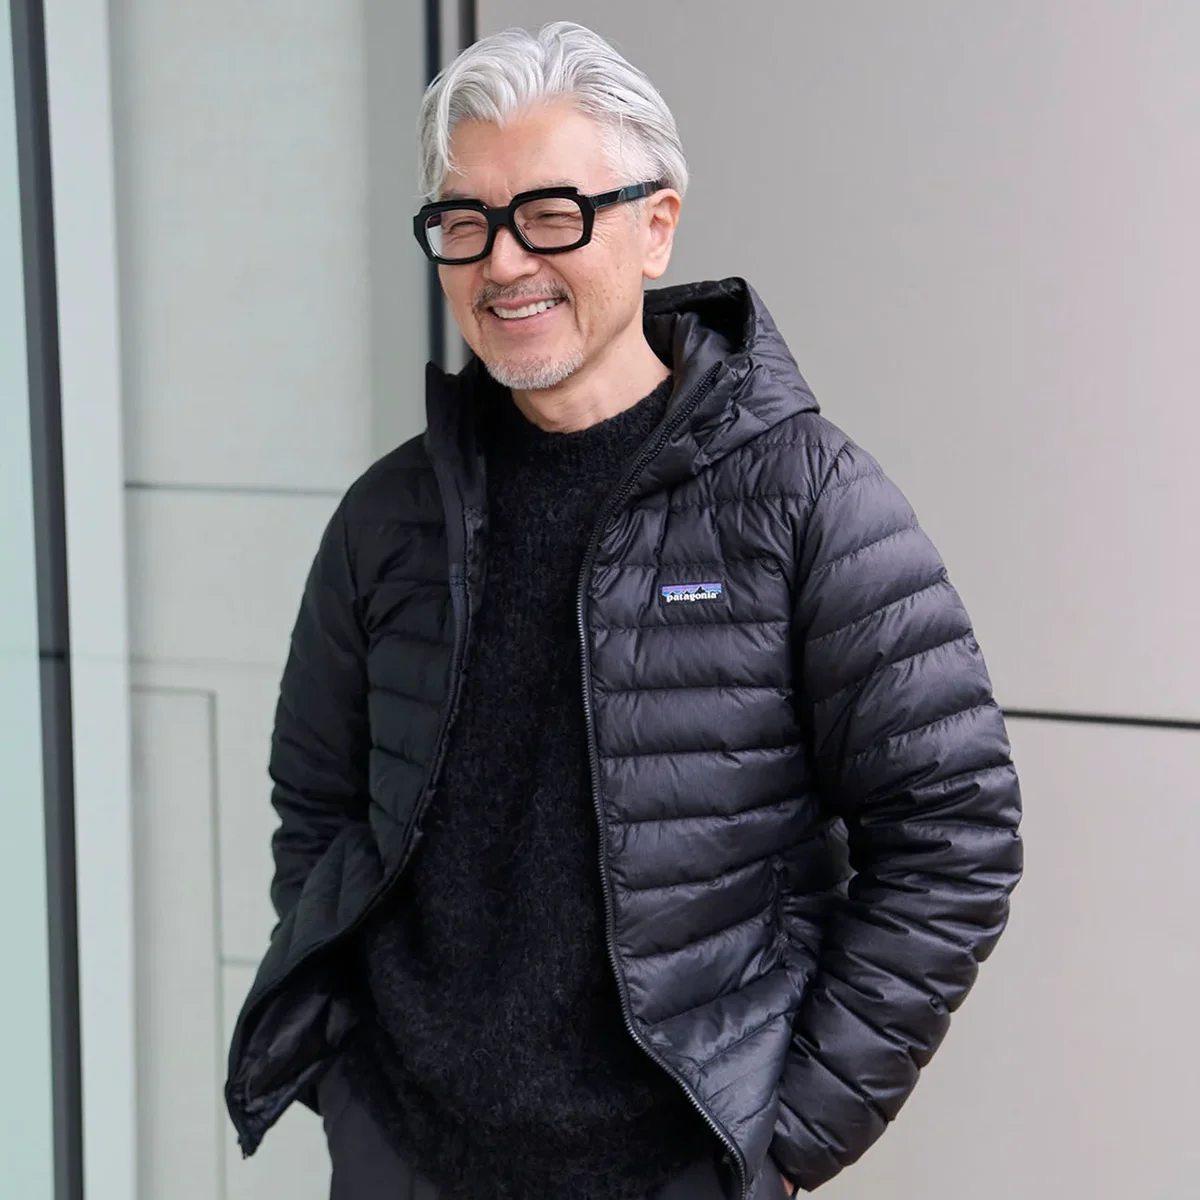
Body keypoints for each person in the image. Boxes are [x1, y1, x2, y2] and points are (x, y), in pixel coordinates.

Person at [224, 21, 1022, 1200]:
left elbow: (954, 829)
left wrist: (788, 1139)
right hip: (407, 1158)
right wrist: (355, 1083)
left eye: (551, 215)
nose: (503, 262)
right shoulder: (388, 516)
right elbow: (319, 806)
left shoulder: (804, 497)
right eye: (465, 222)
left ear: (656, 226)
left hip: (666, 1173)